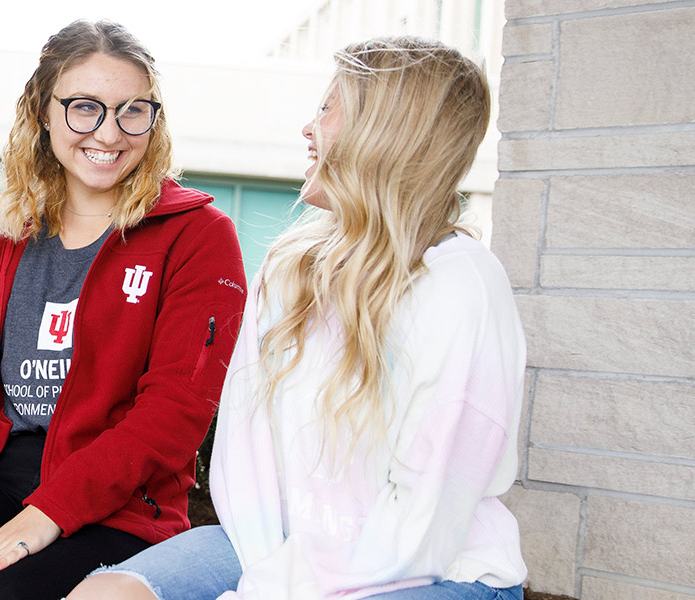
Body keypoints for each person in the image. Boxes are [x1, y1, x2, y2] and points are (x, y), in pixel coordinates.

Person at [69, 36, 527, 600]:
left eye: (327, 109)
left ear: (383, 131)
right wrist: (269, 576)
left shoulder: (461, 286)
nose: (307, 130)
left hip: (431, 570)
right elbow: (247, 462)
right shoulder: (291, 268)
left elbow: (424, 523)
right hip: (277, 550)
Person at [0, 20, 247, 600]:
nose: (110, 132)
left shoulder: (198, 235)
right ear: (44, 114)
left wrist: (49, 512)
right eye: (85, 108)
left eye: (132, 111)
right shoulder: (8, 237)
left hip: (118, 504)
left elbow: (175, 413)